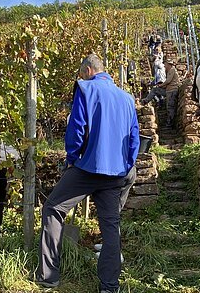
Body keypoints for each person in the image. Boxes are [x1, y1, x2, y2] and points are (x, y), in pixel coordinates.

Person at [36, 54, 140, 293]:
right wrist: (126, 165)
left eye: (82, 73)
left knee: (53, 208)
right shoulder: (126, 98)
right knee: (110, 226)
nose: (82, 77)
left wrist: (73, 159)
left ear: (88, 70)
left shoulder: (85, 88)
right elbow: (134, 139)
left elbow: (77, 129)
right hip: (117, 173)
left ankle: (49, 276)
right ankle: (109, 287)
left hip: (88, 167)